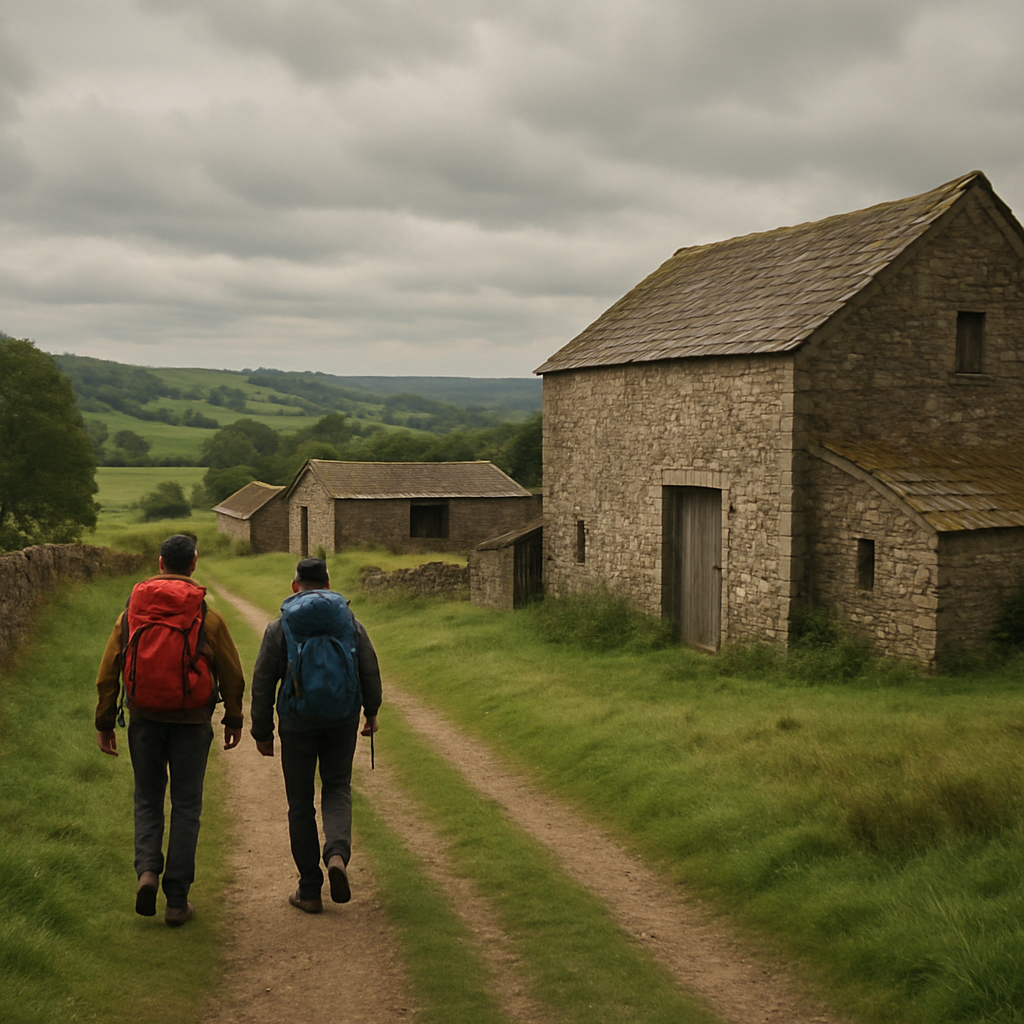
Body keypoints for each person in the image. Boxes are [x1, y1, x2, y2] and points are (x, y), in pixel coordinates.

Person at [95, 533, 245, 927]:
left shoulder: (131, 613)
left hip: (143, 717)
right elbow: (231, 673)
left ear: (161, 564)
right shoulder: (207, 616)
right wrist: (233, 717)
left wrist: (105, 721)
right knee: (187, 806)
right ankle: (177, 901)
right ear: (193, 563)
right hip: (192, 722)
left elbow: (109, 668)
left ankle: (147, 871)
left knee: (147, 799)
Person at [250, 557, 382, 914]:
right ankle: (337, 854)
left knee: (300, 802)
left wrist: (261, 731)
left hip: (297, 723)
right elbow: (368, 667)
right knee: (337, 786)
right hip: (342, 717)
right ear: (328, 583)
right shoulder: (349, 622)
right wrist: (371, 712)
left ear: (295, 586)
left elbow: (263, 680)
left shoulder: (281, 627)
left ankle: (309, 889)